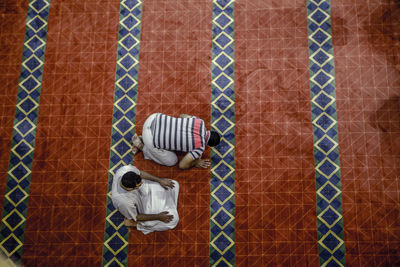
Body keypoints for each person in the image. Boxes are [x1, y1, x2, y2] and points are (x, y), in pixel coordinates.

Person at [131, 113, 221, 169]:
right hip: (150, 138)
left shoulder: (200, 121)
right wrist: (195, 162)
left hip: (152, 118)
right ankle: (141, 146)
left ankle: (142, 138)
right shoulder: (200, 148)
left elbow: (182, 115)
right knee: (172, 161)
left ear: (209, 131)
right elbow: (182, 165)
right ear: (208, 145)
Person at [111, 164, 179, 234]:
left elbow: (141, 173)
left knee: (174, 185)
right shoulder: (123, 202)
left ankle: (168, 205)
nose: (142, 183)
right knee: (173, 220)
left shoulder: (125, 169)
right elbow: (136, 216)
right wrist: (158, 216)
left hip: (144, 191)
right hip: (141, 207)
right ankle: (137, 225)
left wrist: (160, 180)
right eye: (139, 185)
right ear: (131, 189)